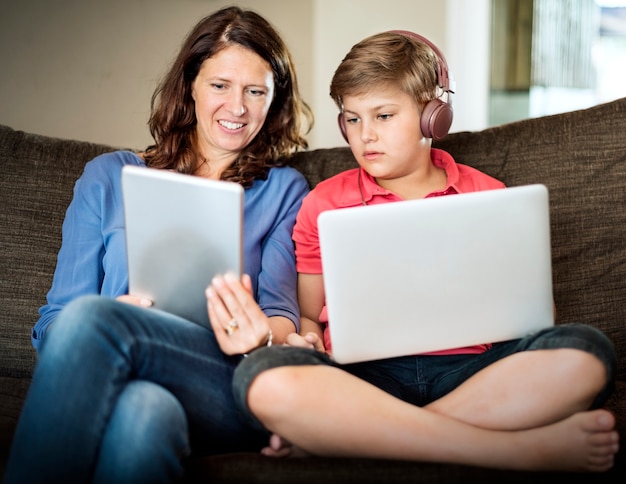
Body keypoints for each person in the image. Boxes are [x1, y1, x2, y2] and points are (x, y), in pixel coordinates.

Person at [226, 31, 620, 472]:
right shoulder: (322, 202)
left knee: (586, 351)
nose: (365, 136)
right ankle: (509, 450)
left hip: (473, 373)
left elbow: (534, 317)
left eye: (384, 115)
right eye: (352, 120)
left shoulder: (489, 195)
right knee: (263, 378)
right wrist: (309, 340)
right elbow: (309, 315)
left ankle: (357, 438)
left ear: (434, 116)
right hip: (363, 378)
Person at [4, 6, 313, 483]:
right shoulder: (107, 178)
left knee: (95, 319)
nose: (237, 108)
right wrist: (117, 319)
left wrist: (262, 337)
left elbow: (281, 313)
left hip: (220, 380)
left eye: (256, 91)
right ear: (189, 85)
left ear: (274, 100)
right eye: (220, 85)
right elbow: (53, 323)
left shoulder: (284, 191)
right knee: (142, 414)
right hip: (123, 374)